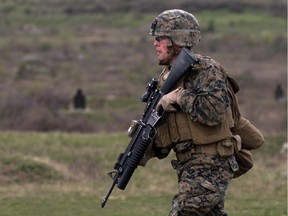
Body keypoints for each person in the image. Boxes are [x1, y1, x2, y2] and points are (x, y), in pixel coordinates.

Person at [138, 9, 264, 215]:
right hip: (189, 165)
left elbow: (213, 113)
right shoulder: (166, 78)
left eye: (159, 38)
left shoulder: (205, 70)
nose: (155, 43)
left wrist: (179, 97)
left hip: (211, 161)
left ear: (175, 40)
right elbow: (168, 136)